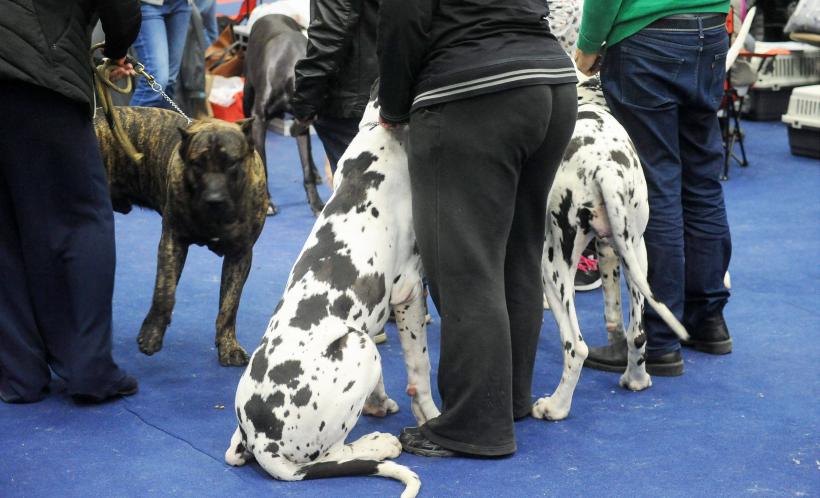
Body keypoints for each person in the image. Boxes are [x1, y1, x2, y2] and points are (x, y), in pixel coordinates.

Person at [378, 1, 578, 457]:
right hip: (551, 82)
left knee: (466, 268)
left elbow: (402, 18)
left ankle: (475, 424)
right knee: (518, 252)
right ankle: (508, 399)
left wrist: (394, 105)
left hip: (472, 91)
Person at [575, 0, 734, 377]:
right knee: (703, 184)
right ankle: (708, 321)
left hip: (647, 41)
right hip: (710, 32)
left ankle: (659, 339)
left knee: (657, 188)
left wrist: (589, 44)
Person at [0, 0, 142, 403]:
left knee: (4, 235)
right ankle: (90, 370)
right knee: (83, 220)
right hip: (41, 75)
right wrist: (118, 47)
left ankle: (19, 375)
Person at [289, 0, 380, 172]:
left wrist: (304, 102)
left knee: (357, 184)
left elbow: (329, 35)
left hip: (355, 102)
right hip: (397, 89)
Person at [130, 0, 192, 108]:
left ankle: (162, 119)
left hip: (182, 4)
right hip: (147, 4)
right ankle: (129, 119)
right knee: (156, 80)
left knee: (170, 81)